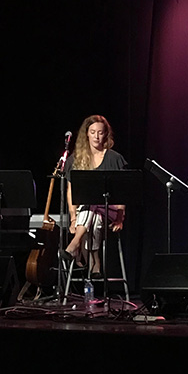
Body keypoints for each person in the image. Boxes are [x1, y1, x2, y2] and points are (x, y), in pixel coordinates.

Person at [61, 115, 127, 278]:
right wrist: (73, 218)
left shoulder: (114, 158)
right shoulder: (76, 159)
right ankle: (95, 263)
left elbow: (122, 191)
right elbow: (71, 191)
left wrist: (120, 218)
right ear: (86, 134)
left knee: (93, 201)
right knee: (93, 216)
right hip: (88, 213)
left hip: (109, 209)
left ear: (106, 134)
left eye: (100, 132)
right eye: (92, 132)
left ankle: (74, 244)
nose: (96, 136)